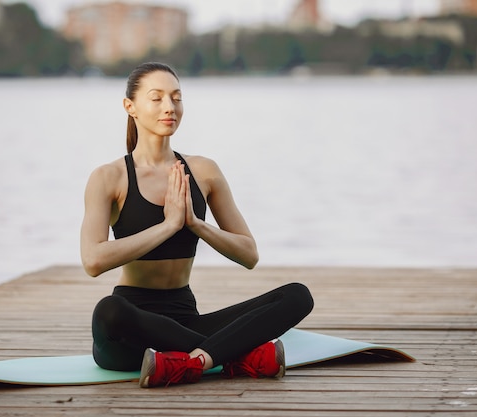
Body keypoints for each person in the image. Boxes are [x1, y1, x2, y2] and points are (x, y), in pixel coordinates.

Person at [80, 62, 314, 388]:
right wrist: (168, 225)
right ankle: (234, 356)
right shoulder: (109, 177)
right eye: (157, 97)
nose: (169, 107)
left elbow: (249, 255)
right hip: (130, 332)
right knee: (109, 311)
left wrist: (195, 224)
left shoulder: (204, 172)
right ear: (130, 107)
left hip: (188, 320)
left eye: (176, 98)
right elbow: (93, 261)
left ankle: (194, 361)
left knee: (297, 296)